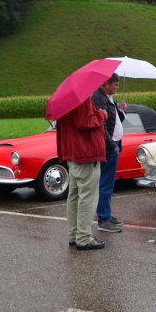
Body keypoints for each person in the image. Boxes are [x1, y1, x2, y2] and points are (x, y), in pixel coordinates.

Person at [56, 97, 108, 250]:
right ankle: (84, 237)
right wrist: (101, 114)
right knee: (87, 197)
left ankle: (74, 235)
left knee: (74, 196)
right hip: (85, 154)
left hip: (73, 153)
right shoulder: (81, 100)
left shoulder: (64, 101)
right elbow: (85, 122)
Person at [91, 73, 127, 233]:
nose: (117, 88)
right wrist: (112, 147)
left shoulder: (108, 98)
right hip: (108, 148)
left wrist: (122, 111)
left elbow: (115, 121)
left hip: (113, 145)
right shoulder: (99, 98)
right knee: (105, 184)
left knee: (108, 183)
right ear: (106, 83)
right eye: (115, 85)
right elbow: (102, 127)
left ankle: (106, 215)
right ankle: (103, 219)